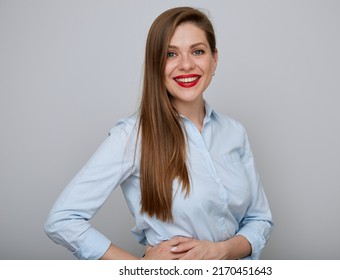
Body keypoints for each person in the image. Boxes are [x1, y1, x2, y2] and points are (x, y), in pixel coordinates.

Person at [44, 6, 273, 260]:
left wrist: (221, 251)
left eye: (198, 51)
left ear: (214, 59)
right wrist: (139, 268)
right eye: (170, 54)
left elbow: (259, 219)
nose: (186, 64)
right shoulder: (132, 136)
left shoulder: (234, 132)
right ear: (156, 63)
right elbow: (62, 220)